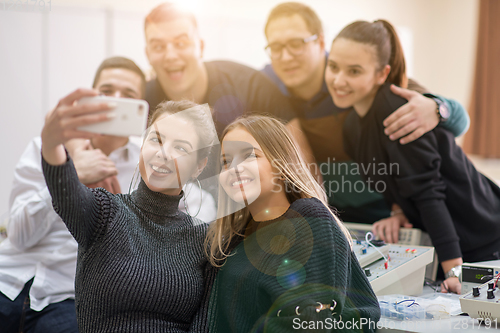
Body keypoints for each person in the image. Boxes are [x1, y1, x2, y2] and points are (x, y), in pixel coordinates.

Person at [326, 19, 500, 294]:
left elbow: (428, 193)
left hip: (484, 235)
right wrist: (397, 210)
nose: (338, 80)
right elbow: (391, 177)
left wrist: (454, 269)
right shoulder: (352, 125)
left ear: (382, 74)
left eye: (354, 71)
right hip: (454, 243)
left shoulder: (396, 112)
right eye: (333, 67)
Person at [262, 2, 470, 231]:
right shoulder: (268, 88)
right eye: (276, 46)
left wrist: (437, 108)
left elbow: (460, 121)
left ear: (321, 42)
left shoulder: (360, 75)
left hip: (396, 213)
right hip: (339, 217)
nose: (285, 56)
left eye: (296, 44)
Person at [41, 96, 218, 332]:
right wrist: (51, 142)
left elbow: (206, 324)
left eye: (181, 147)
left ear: (199, 166)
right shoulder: (105, 212)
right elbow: (65, 191)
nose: (163, 153)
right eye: (156, 139)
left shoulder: (206, 241)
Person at [0, 56, 145, 333]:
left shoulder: (146, 166)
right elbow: (18, 234)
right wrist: (67, 175)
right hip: (8, 278)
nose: (115, 101)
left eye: (128, 96)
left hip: (67, 299)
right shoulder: (48, 147)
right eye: (106, 92)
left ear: (141, 110)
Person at [206, 115, 380, 332]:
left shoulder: (309, 219)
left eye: (249, 155)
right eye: (225, 161)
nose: (234, 168)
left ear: (280, 165)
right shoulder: (234, 240)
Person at [143, 2, 320, 184]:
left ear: (201, 47)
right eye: (158, 46)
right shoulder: (141, 101)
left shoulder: (252, 86)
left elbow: (304, 171)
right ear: (147, 54)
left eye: (181, 43)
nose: (171, 55)